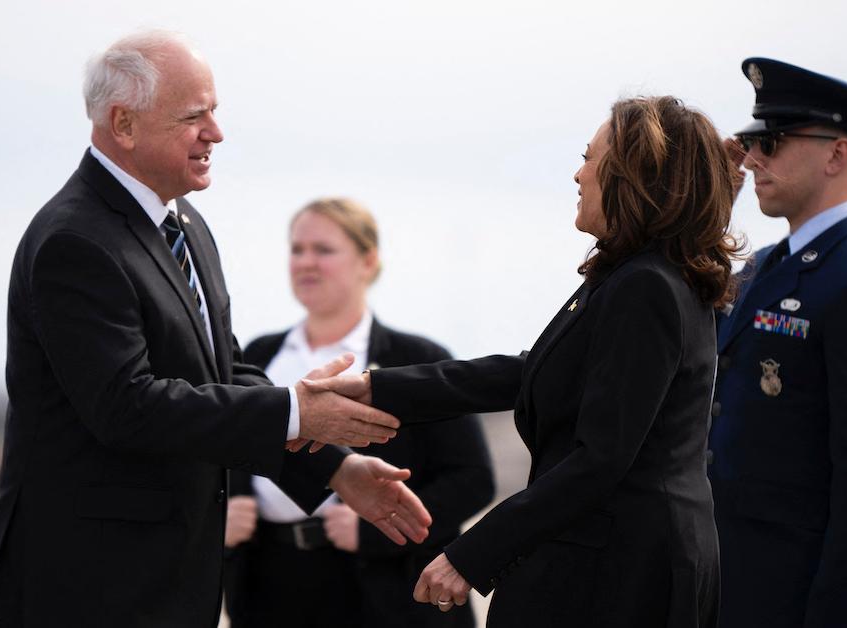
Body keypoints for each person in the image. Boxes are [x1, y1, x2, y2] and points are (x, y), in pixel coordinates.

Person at [0, 31, 431, 628]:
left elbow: (224, 374)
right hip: (91, 586)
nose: (216, 132)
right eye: (194, 116)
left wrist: (335, 469)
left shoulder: (185, 224)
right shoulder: (75, 241)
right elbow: (126, 406)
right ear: (124, 124)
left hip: (169, 584)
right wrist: (295, 411)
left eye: (214, 111)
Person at [308, 96, 740, 627]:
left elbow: (601, 459)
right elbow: (529, 371)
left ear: (636, 177)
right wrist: (378, 389)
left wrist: (471, 556)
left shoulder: (646, 286)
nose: (578, 175)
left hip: (621, 576)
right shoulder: (640, 276)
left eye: (589, 157)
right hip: (618, 560)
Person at [707, 57, 847, 628]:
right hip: (746, 589)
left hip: (810, 599)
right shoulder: (761, 269)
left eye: (772, 142)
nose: (753, 159)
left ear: (837, 154)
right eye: (752, 142)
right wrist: (712, 208)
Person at [222, 198, 495, 627]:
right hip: (268, 584)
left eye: (323, 250)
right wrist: (225, 515)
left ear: (367, 261)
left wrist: (373, 530)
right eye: (297, 249)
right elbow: (226, 445)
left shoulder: (417, 360)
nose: (305, 262)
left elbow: (474, 481)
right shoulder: (257, 356)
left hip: (385, 591)